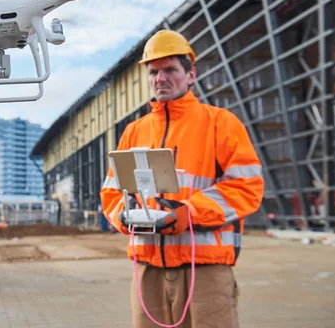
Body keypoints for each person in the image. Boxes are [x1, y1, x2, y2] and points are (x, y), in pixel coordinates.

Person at [100, 29, 264, 328]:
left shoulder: (220, 123)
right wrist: (122, 216)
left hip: (205, 269)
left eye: (170, 70)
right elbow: (112, 193)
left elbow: (247, 187)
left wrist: (190, 213)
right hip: (147, 267)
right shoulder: (133, 132)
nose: (160, 78)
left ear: (190, 75)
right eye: (153, 72)